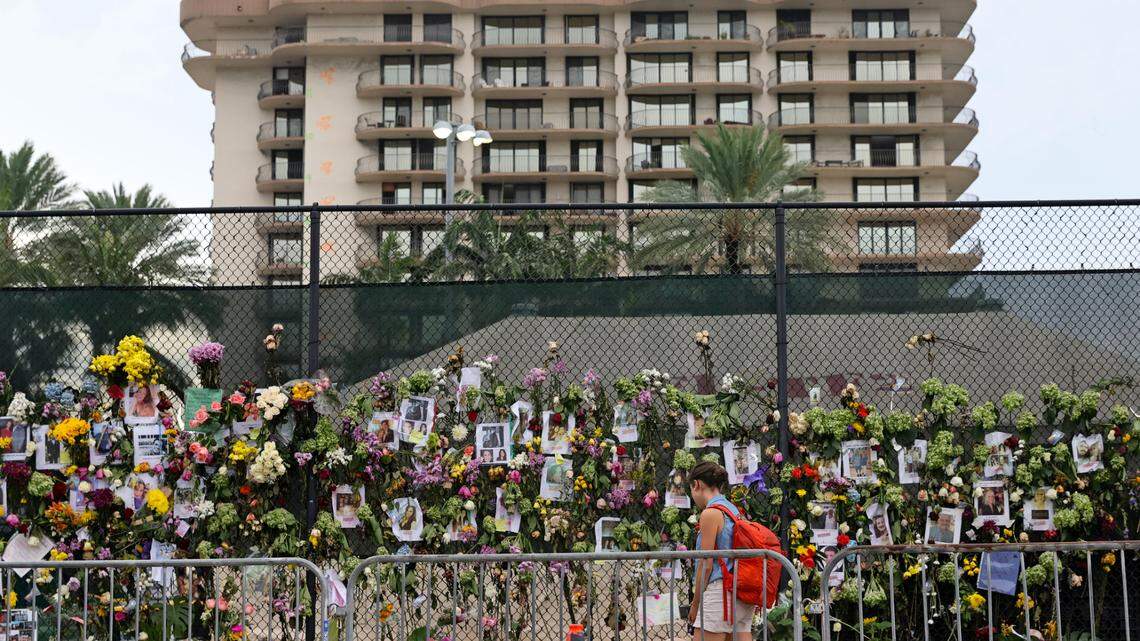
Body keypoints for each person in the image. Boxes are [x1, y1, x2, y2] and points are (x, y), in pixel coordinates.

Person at [686, 461, 755, 641]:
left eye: (691, 490)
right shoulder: (732, 510)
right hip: (741, 593)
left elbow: (706, 564)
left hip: (720, 594)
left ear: (698, 485)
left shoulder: (710, 514)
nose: (693, 496)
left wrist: (695, 604)